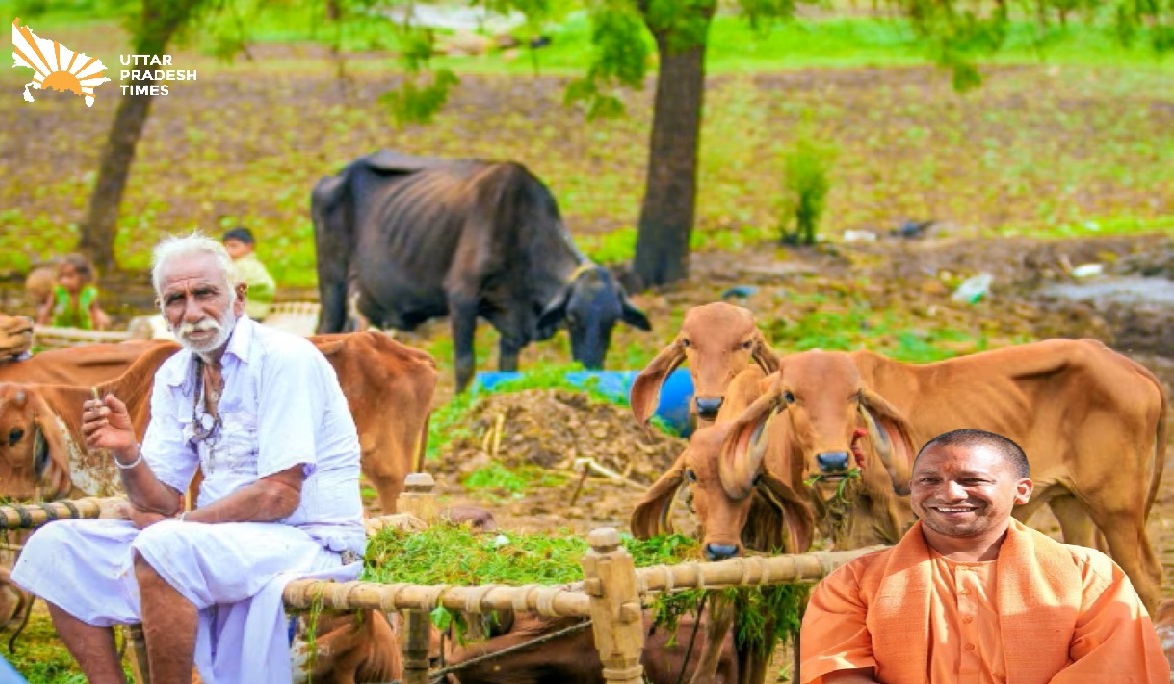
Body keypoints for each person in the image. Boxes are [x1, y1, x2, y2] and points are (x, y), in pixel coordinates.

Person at [11, 233, 366, 684]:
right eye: (176, 299)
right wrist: (127, 453)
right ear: (162, 310)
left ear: (238, 298)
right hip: (217, 539)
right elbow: (157, 504)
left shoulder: (285, 359)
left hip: (306, 539)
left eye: (204, 293)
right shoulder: (177, 373)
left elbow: (278, 495)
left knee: (162, 547)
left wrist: (181, 527)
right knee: (55, 545)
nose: (191, 312)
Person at [799, 428, 1169, 684]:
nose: (950, 494)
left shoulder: (1089, 575)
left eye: (972, 480)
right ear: (912, 490)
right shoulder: (853, 582)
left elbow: (1111, 671)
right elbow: (839, 672)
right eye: (929, 481)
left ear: (1021, 490)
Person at [35, 253, 111, 330]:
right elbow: (46, 312)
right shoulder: (58, 291)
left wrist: (97, 333)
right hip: (60, 331)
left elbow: (95, 316)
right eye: (62, 276)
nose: (64, 281)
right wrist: (40, 328)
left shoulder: (90, 293)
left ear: (83, 277)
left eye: (69, 276)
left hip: (83, 332)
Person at [222, 226, 276, 321]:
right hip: (258, 311)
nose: (228, 250)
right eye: (226, 246)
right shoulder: (255, 264)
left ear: (249, 246)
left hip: (249, 312)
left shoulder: (243, 265)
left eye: (234, 246)